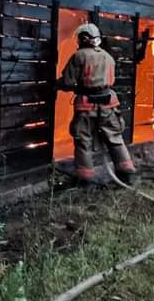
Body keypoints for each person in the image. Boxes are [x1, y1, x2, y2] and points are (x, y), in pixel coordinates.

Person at [56, 22, 137, 185]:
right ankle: (128, 174)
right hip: (109, 105)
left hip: (87, 105)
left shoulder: (79, 56)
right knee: (115, 138)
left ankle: (86, 179)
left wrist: (57, 84)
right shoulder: (108, 56)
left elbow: (67, 82)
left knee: (83, 140)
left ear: (83, 39)